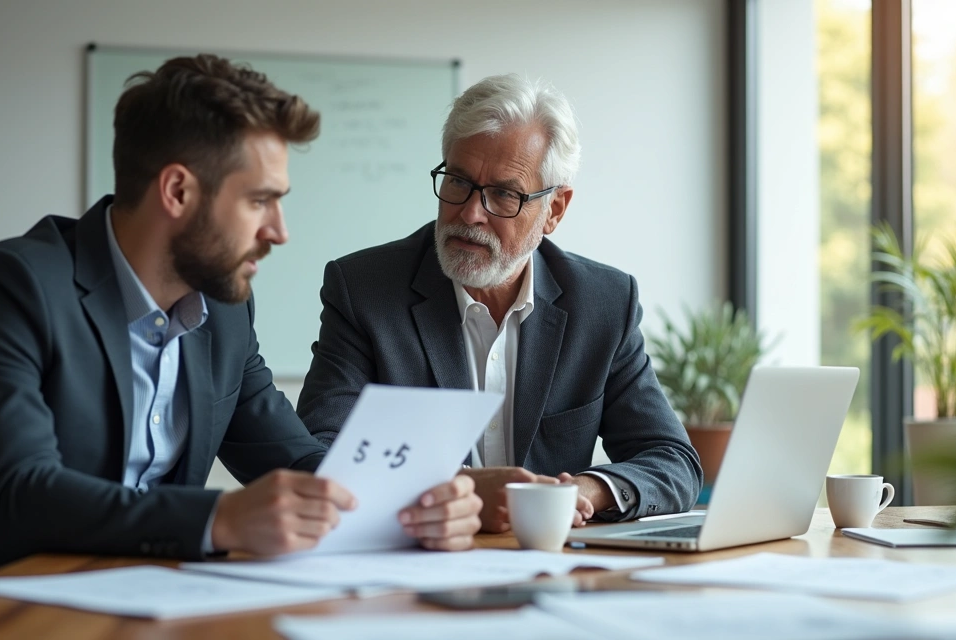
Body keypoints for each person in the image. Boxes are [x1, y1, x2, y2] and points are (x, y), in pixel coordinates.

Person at [0, 54, 480, 601]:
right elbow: (20, 496)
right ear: (177, 191)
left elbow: (292, 460)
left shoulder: (223, 312)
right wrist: (221, 517)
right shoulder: (11, 289)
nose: (279, 232)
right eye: (260, 201)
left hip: (143, 599)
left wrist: (411, 505)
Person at [296, 74, 702, 533]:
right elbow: (317, 454)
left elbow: (673, 461)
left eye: (504, 194)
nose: (470, 213)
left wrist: (584, 492)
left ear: (555, 210)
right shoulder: (365, 291)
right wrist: (461, 491)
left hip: (551, 569)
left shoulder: (603, 303)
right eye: (458, 181)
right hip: (416, 568)